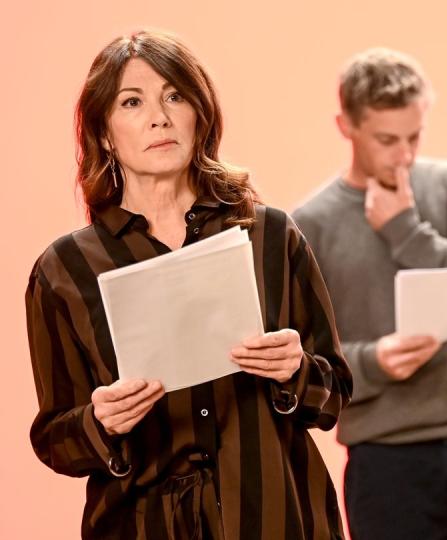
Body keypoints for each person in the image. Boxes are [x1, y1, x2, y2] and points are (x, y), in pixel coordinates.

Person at [25, 30, 352, 539]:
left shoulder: (269, 235)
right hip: (141, 524)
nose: (160, 116)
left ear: (199, 114)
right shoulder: (65, 270)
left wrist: (296, 369)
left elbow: (333, 395)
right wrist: (100, 420)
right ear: (106, 133)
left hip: (276, 519)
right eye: (132, 102)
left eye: (174, 95)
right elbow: (55, 440)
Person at [292, 48, 447, 540]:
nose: (404, 154)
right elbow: (304, 357)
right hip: (385, 457)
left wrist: (407, 230)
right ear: (346, 126)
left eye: (414, 136)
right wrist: (372, 362)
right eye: (387, 140)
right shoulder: (308, 225)